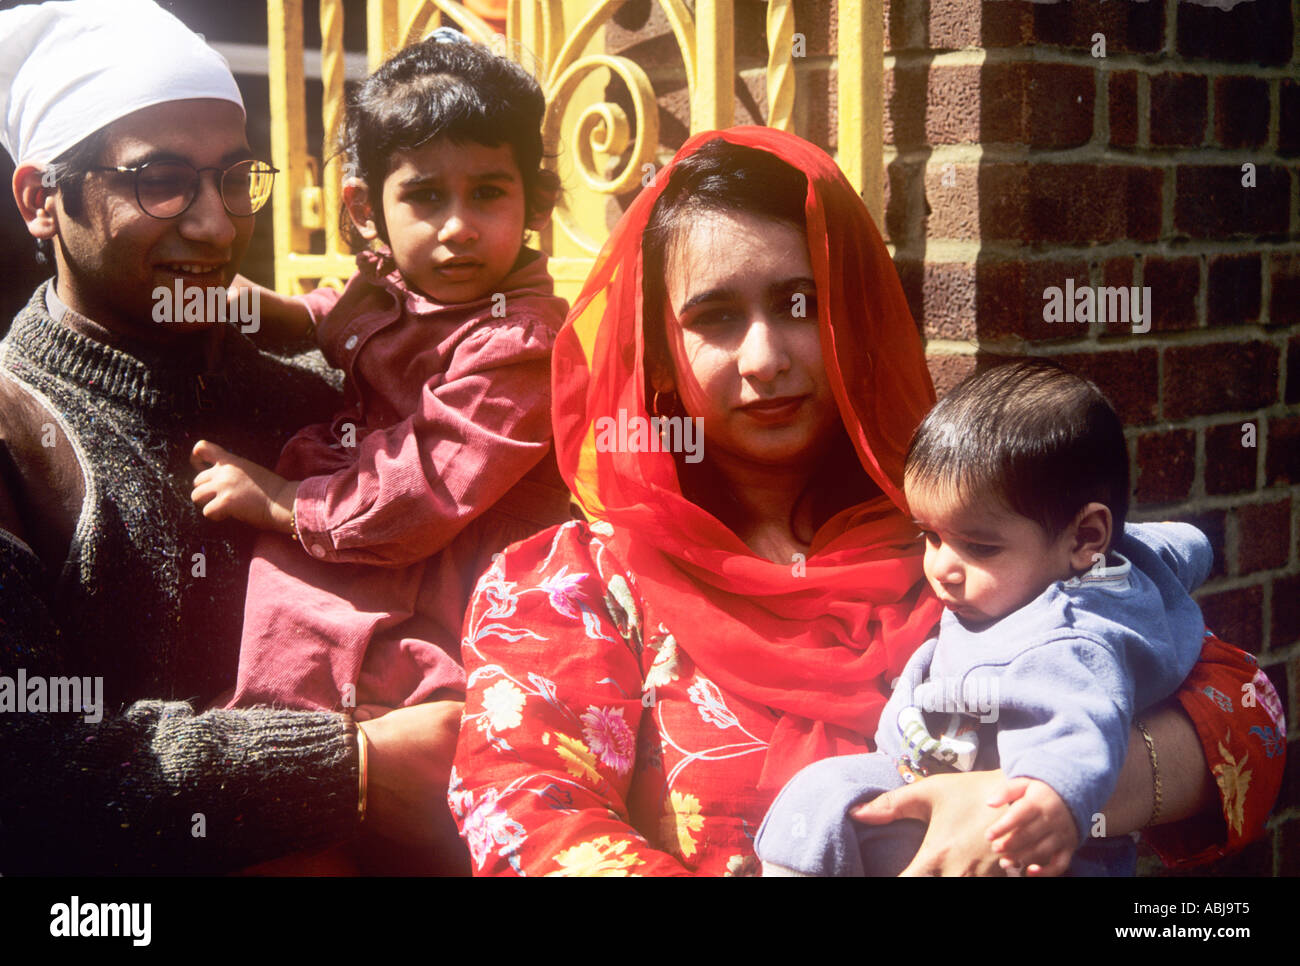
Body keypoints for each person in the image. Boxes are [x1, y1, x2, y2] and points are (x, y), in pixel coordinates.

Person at [447, 127, 1285, 876]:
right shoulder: (575, 589)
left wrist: (1033, 804)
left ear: (854, 311)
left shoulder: (965, 533)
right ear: (660, 356)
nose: (765, 356)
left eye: (798, 303)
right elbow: (525, 815)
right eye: (714, 318)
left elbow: (1246, 714)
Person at [0, 0, 459, 874]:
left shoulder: (315, 397)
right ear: (40, 200)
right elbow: (23, 778)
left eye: (235, 178)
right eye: (160, 180)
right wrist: (354, 770)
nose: (216, 225)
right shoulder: (17, 438)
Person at [188, 31, 570, 717]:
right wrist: (272, 311)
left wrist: (283, 500)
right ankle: (279, 724)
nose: (458, 227)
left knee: (328, 629)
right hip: (373, 512)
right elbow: (349, 308)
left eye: (488, 193)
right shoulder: (405, 280)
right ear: (369, 210)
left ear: (535, 203)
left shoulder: (520, 343)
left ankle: (306, 746)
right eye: (425, 196)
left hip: (441, 550)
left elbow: (426, 490)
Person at [755, 360, 1214, 877]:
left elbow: (1083, 714)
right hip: (936, 781)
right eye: (930, 535)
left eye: (979, 546)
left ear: (1086, 538)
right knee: (822, 796)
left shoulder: (1068, 635)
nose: (942, 568)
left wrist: (1052, 796)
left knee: (819, 802)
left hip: (1023, 846)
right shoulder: (1067, 572)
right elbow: (1163, 548)